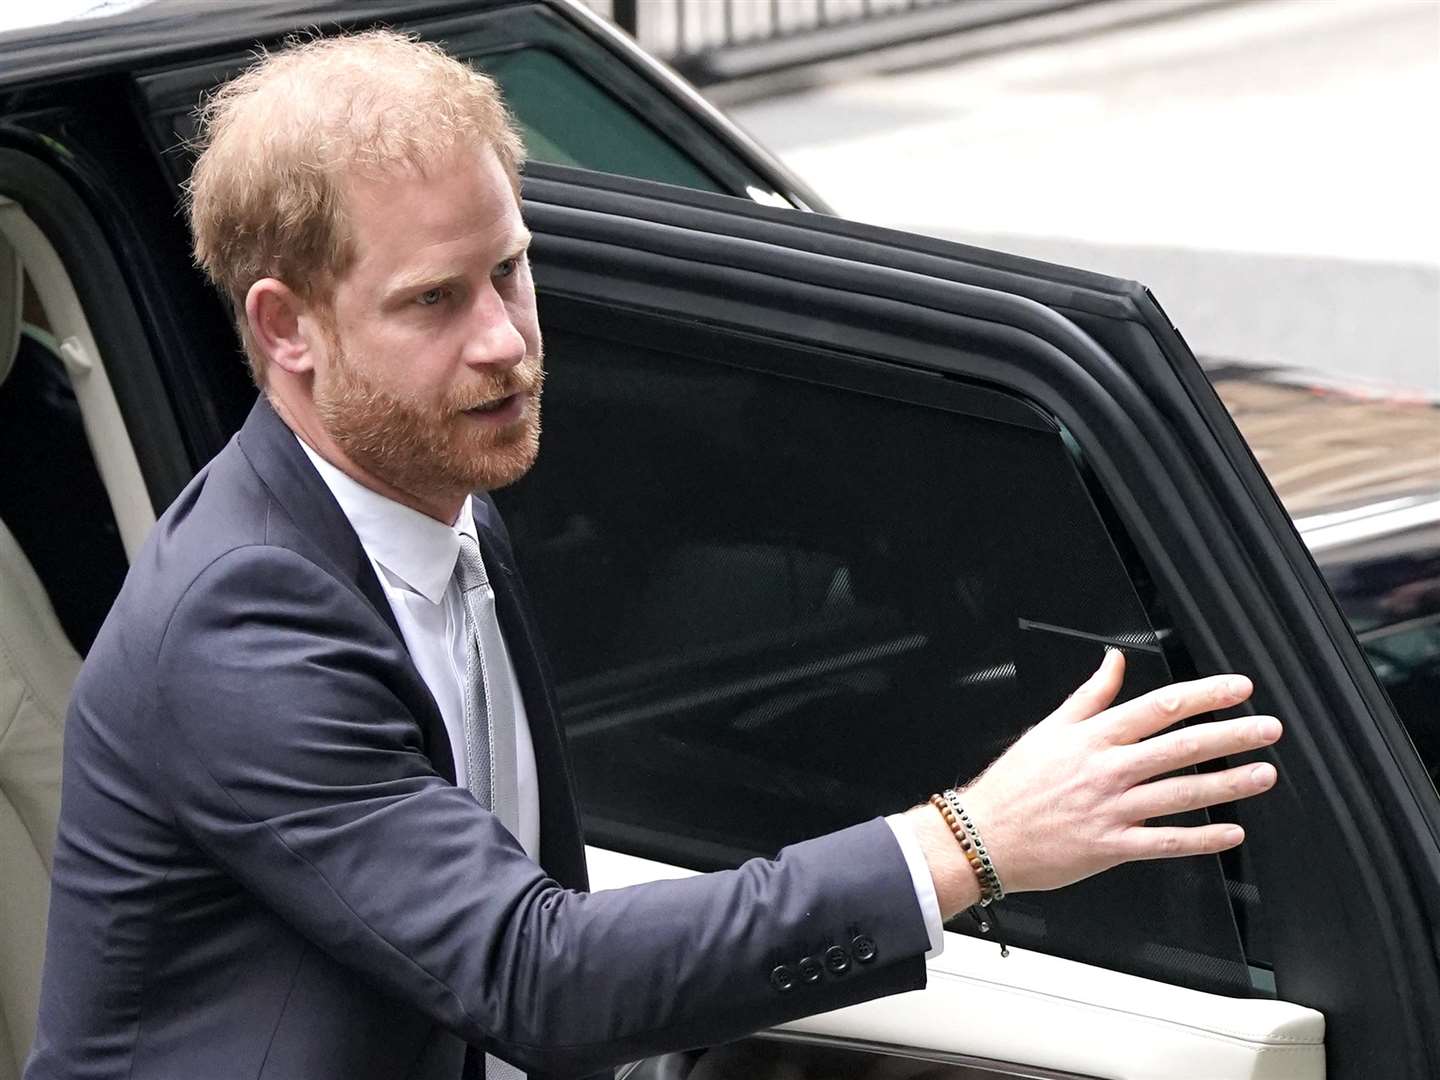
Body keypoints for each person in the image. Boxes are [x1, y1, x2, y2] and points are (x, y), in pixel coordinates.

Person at [25, 30, 1282, 1080]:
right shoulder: (241, 620)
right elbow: (533, 974)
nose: (507, 343)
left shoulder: (445, 507)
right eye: (433, 301)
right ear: (286, 327)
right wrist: (974, 839)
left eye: (510, 272)